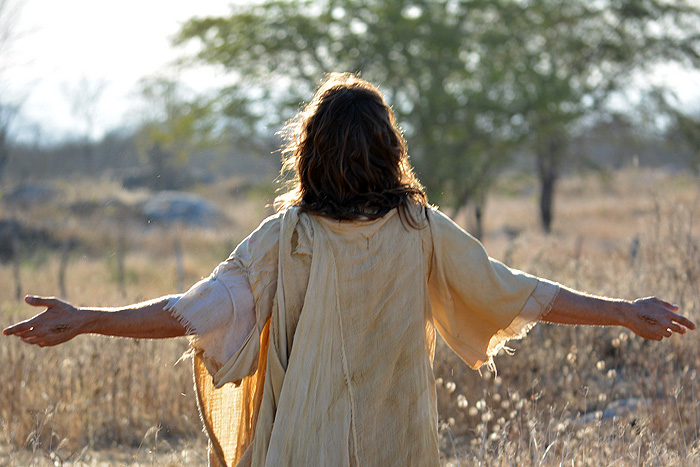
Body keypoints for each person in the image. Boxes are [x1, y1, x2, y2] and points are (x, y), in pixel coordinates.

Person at [3, 73, 696, 467]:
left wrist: (89, 319)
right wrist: (623, 308)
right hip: (399, 447)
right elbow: (519, 291)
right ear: (389, 151)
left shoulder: (287, 237)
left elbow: (193, 310)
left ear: (309, 153)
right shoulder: (420, 232)